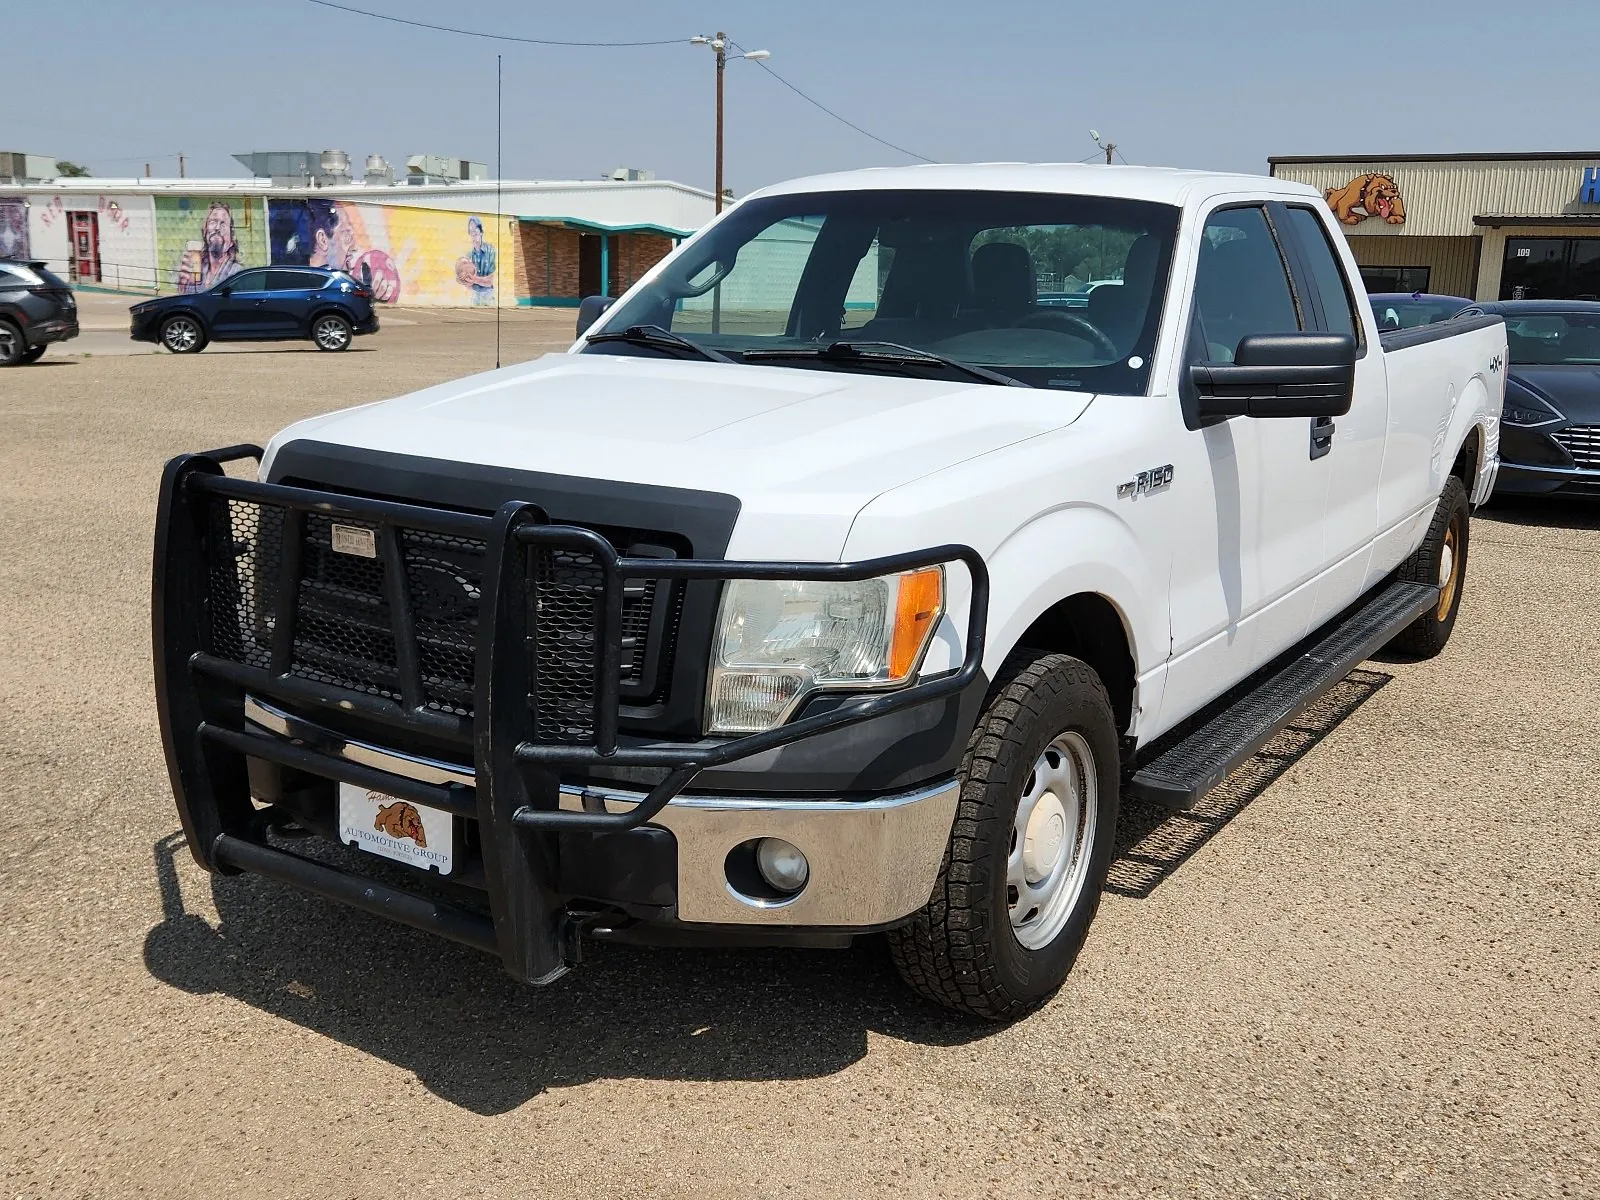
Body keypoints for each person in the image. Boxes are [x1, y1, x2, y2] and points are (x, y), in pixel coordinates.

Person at [175, 201, 245, 293]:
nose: (217, 227)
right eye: (213, 222)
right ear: (205, 232)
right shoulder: (197, 268)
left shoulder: (236, 272)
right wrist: (183, 286)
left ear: (232, 239)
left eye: (223, 224)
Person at [458, 215, 496, 305]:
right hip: (475, 295)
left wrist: (473, 279)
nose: (473, 232)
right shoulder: (469, 255)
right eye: (471, 230)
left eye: (475, 228)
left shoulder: (490, 250)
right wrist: (462, 279)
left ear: (481, 232)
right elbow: (468, 284)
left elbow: (489, 281)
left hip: (488, 294)